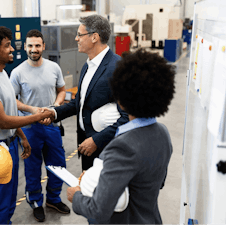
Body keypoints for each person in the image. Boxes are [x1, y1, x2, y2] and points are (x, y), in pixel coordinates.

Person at [67, 49, 175, 224]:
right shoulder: (162, 132)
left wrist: (77, 196)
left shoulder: (122, 146)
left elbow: (98, 210)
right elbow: (154, 182)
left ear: (122, 99)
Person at [0, 25, 53, 225]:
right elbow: (3, 120)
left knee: (8, 202)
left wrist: (22, 137)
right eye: (7, 46)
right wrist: (37, 115)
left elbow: (10, 112)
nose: (12, 49)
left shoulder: (2, 74)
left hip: (9, 145)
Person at [47, 15, 129, 171]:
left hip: (108, 151)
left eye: (79, 34)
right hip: (86, 147)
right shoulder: (87, 66)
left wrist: (96, 141)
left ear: (94, 37)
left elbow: (128, 117)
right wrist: (53, 113)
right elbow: (79, 103)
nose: (76, 39)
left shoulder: (119, 68)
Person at [10, 29, 69, 222]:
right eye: (30, 46)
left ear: (43, 46)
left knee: (58, 164)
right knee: (33, 167)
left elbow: (62, 90)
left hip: (51, 125)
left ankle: (53, 199)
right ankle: (35, 202)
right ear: (25, 47)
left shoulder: (54, 68)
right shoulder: (17, 72)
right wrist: (33, 110)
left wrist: (55, 108)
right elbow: (13, 101)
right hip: (30, 128)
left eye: (37, 45)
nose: (34, 49)